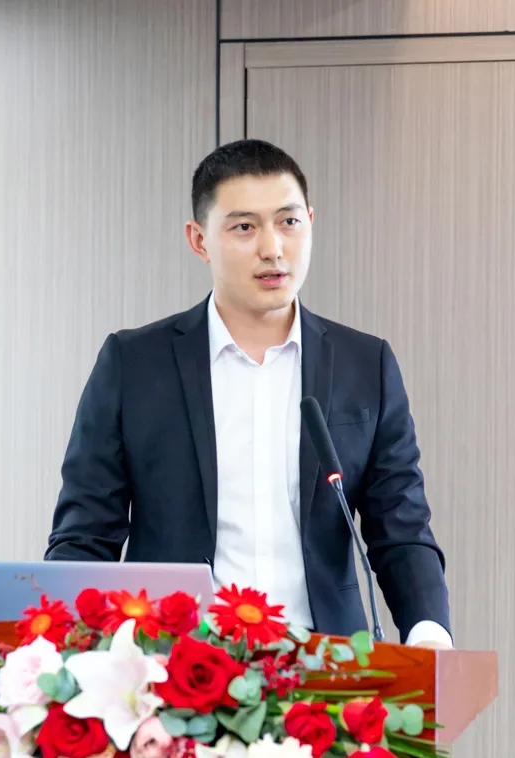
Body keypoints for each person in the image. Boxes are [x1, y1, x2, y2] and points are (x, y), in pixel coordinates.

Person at [45, 139, 452, 648]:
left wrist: (429, 632)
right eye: (244, 227)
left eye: (288, 222)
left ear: (310, 222)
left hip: (326, 667)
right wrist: (62, 650)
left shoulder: (366, 365)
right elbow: (85, 536)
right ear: (199, 240)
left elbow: (402, 527)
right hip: (177, 667)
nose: (272, 248)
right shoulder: (133, 365)